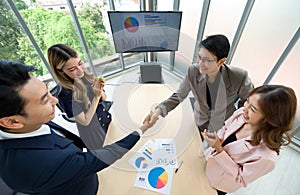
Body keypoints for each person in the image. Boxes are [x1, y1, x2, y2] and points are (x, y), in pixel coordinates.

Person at [0, 59, 157, 194]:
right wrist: (143, 128)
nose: (55, 100)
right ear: (12, 122)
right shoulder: (41, 164)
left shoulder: (27, 122)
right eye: (44, 100)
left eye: (48, 93)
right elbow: (100, 158)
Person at [201, 85, 297, 195]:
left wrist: (219, 149)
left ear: (271, 118)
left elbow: (241, 178)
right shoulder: (242, 114)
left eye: (253, 109)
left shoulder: (267, 157)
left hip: (216, 184)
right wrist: (217, 138)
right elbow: (225, 128)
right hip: (206, 161)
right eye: (247, 101)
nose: (245, 108)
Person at [150, 34, 254, 135]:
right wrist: (158, 111)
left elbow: (249, 101)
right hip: (199, 121)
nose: (200, 64)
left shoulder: (239, 76)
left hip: (224, 125)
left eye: (207, 60)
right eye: (199, 57)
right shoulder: (193, 71)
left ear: (221, 61)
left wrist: (238, 119)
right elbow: (178, 96)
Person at [47, 44, 110, 149]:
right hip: (95, 135)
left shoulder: (85, 75)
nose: (80, 70)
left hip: (106, 120)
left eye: (80, 63)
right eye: (72, 69)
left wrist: (100, 90)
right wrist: (96, 97)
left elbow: (104, 98)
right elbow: (85, 121)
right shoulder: (65, 94)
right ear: (61, 72)